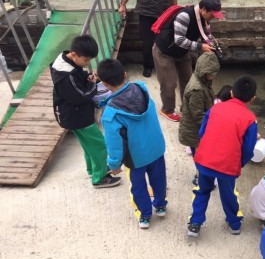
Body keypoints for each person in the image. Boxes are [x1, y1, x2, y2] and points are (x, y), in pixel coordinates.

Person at [97, 59, 167, 229]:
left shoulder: (111, 114)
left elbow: (115, 144)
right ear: (125, 75)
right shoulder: (142, 89)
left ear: (104, 84)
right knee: (159, 179)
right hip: (156, 148)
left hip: (136, 158)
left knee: (138, 186)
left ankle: (144, 215)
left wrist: (114, 164)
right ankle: (160, 205)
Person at [187, 75, 258, 237]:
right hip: (228, 166)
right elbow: (248, 149)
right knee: (228, 193)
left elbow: (201, 133)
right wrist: (238, 163)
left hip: (204, 160)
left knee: (202, 190)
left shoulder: (214, 109)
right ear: (253, 99)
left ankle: (195, 223)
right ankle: (234, 224)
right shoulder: (250, 120)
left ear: (232, 93)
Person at [50, 35, 121, 189]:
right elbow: (79, 96)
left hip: (71, 114)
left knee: (88, 144)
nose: (87, 63)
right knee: (99, 144)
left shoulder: (65, 61)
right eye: (86, 60)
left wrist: (86, 77)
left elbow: (77, 76)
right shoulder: (66, 75)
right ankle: (100, 177)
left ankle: (93, 169)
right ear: (74, 54)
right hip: (77, 116)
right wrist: (93, 86)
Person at [152, 0, 223, 122]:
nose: (213, 18)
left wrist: (213, 45)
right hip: (164, 51)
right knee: (169, 83)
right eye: (212, 15)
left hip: (182, 52)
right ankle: (167, 110)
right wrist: (200, 46)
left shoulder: (204, 19)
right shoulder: (184, 16)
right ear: (204, 9)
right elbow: (179, 40)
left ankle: (186, 108)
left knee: (189, 81)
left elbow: (206, 34)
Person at [118, 0, 177, 78]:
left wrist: (175, 11)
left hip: (163, 15)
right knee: (148, 42)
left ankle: (162, 66)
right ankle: (148, 66)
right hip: (146, 13)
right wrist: (123, 4)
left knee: (163, 41)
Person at [178, 52, 220, 154]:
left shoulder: (199, 78)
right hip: (194, 132)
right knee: (199, 156)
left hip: (195, 128)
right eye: (211, 74)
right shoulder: (197, 89)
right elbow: (198, 115)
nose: (213, 76)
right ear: (204, 72)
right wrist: (213, 128)